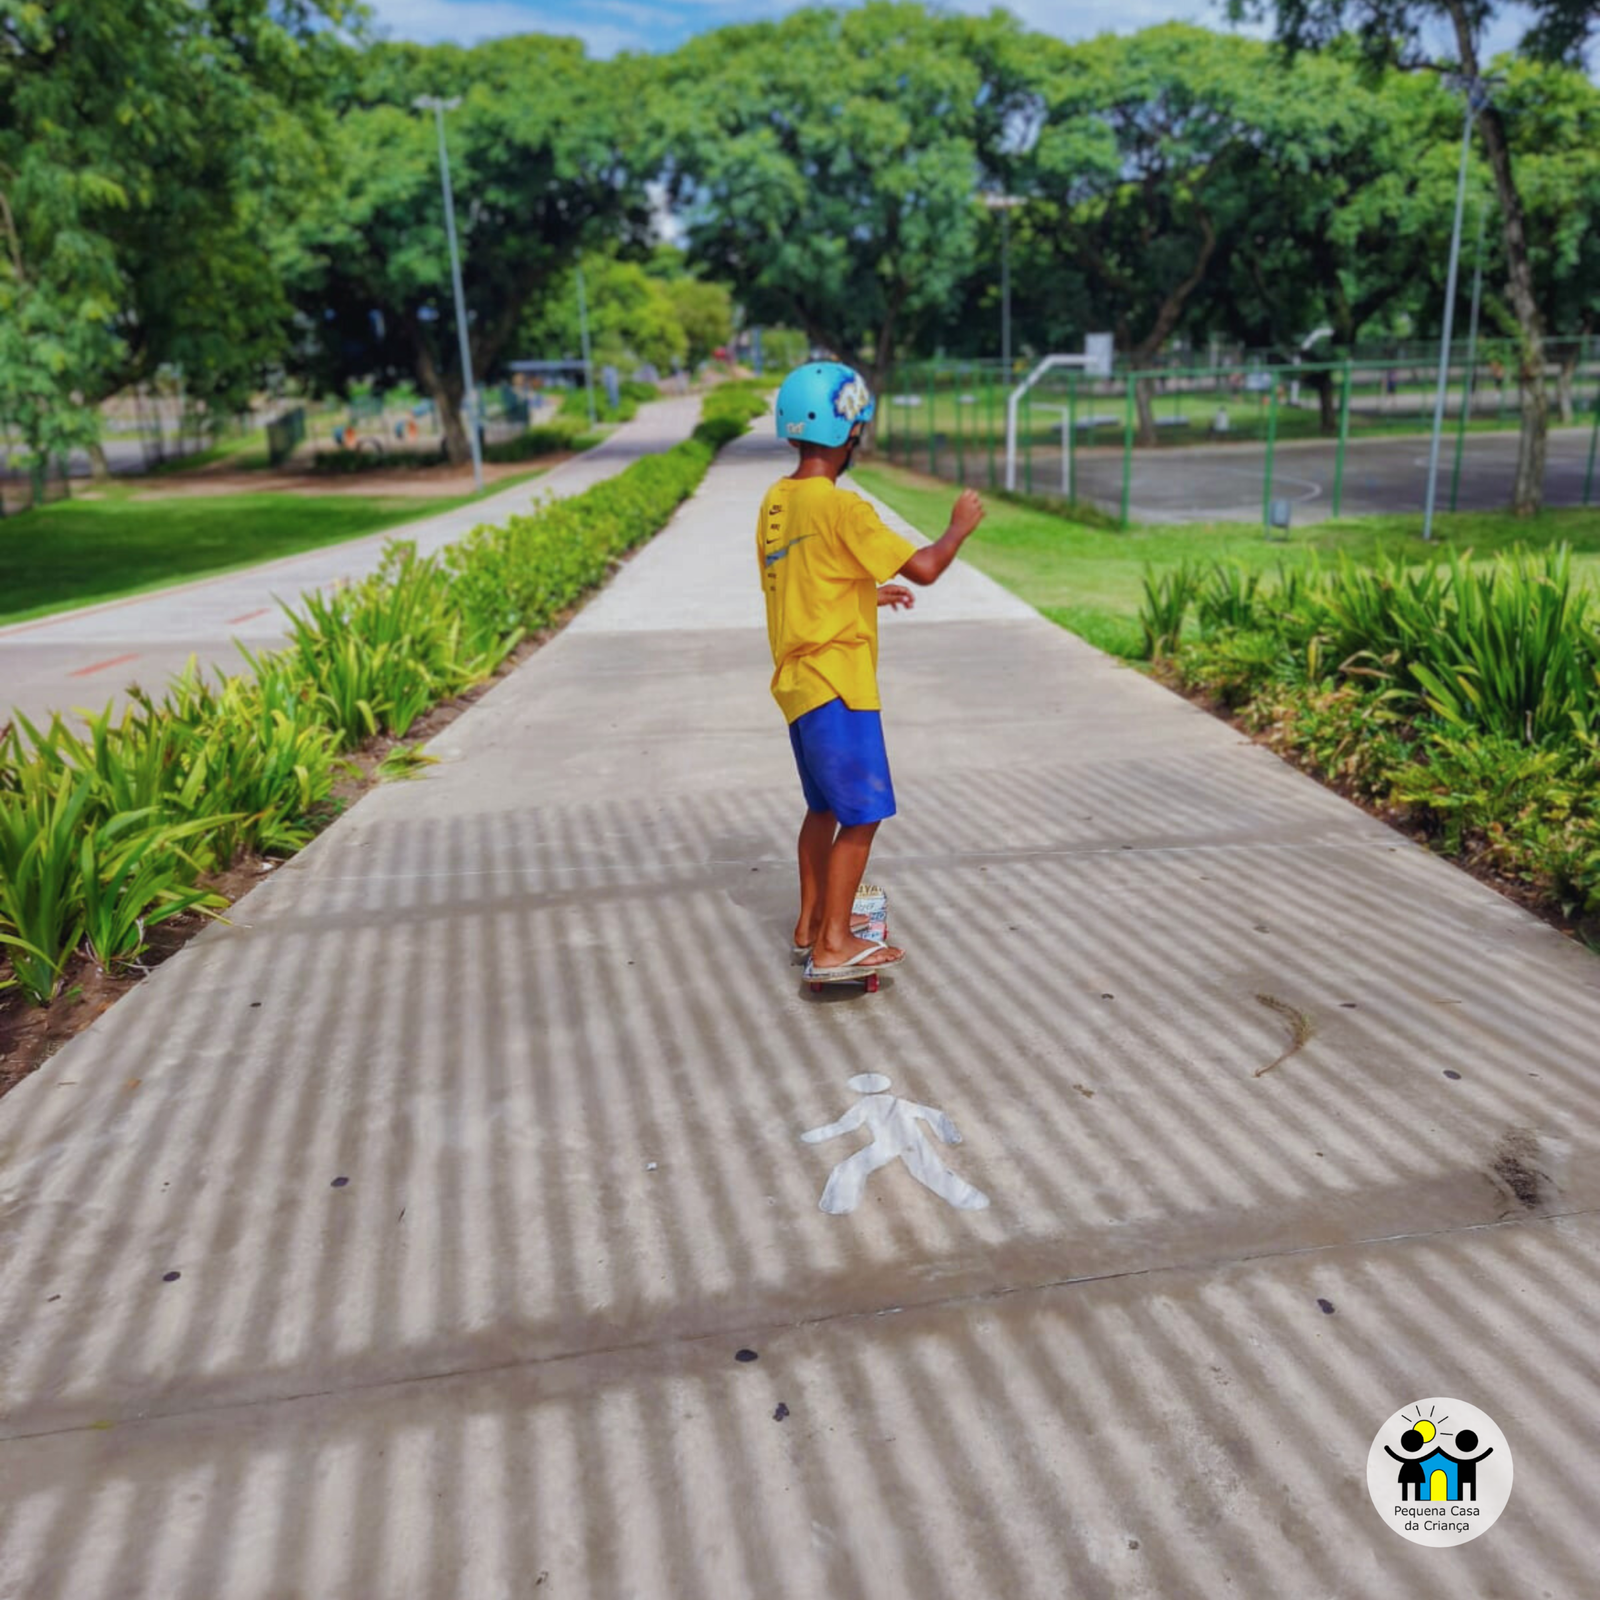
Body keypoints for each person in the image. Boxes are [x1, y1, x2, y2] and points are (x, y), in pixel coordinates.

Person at [758, 361, 985, 984]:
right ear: (848, 431)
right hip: (840, 685)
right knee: (862, 814)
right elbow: (927, 567)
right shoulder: (843, 508)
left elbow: (805, 577)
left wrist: (865, 594)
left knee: (822, 810)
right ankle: (834, 944)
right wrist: (958, 527)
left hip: (799, 685)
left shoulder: (777, 502)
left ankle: (811, 924)